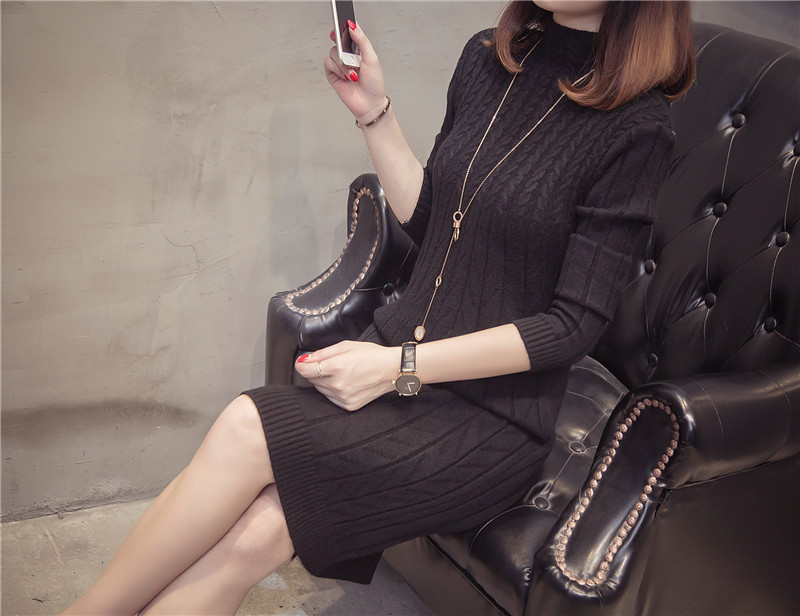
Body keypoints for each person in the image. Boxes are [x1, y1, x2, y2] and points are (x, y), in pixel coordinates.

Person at [62, 1, 695, 614]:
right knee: (257, 531)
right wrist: (374, 113)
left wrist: (399, 367)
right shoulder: (487, 58)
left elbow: (571, 327)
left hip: (489, 418)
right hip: (396, 357)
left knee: (244, 432)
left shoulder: (637, 130)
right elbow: (433, 220)